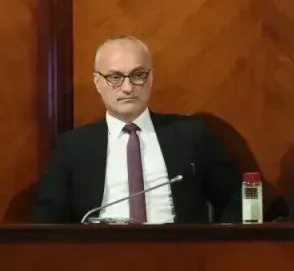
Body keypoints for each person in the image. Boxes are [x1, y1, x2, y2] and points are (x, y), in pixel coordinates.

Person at [33, 36, 242, 223]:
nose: (127, 88)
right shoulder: (72, 146)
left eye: (138, 75)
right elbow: (48, 220)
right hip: (102, 251)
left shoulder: (190, 134)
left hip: (177, 249)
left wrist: (216, 247)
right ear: (97, 82)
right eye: (115, 77)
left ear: (150, 79)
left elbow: (237, 198)